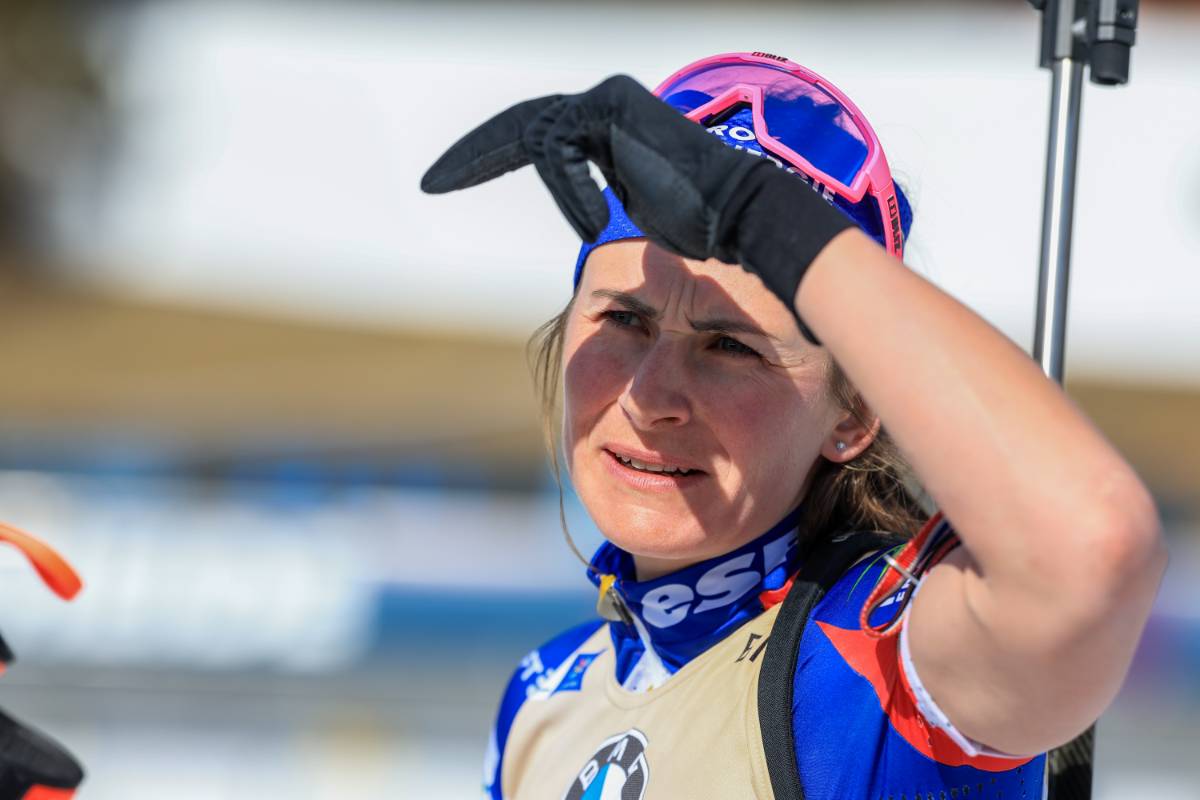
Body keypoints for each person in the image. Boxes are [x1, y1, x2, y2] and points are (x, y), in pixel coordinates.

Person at [422, 51, 1166, 799]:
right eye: (623, 319)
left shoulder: (879, 662)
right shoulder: (541, 696)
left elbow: (1094, 550)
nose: (649, 397)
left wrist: (763, 217)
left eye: (729, 346)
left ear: (856, 412)